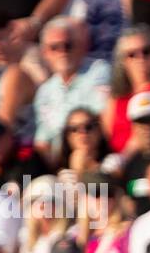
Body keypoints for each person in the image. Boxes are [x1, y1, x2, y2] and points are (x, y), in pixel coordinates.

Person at [33, 18, 111, 156]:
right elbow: (42, 141)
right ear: (45, 53)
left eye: (68, 45)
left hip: (94, 154)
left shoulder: (98, 71)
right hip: (58, 164)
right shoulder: (44, 92)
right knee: (26, 175)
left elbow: (104, 120)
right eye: (54, 47)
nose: (62, 52)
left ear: (81, 47)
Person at [104, 25, 150, 155]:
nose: (141, 58)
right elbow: (105, 136)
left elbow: (144, 128)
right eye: (132, 54)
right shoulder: (115, 98)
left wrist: (122, 162)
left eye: (146, 51)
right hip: (118, 160)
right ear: (123, 61)